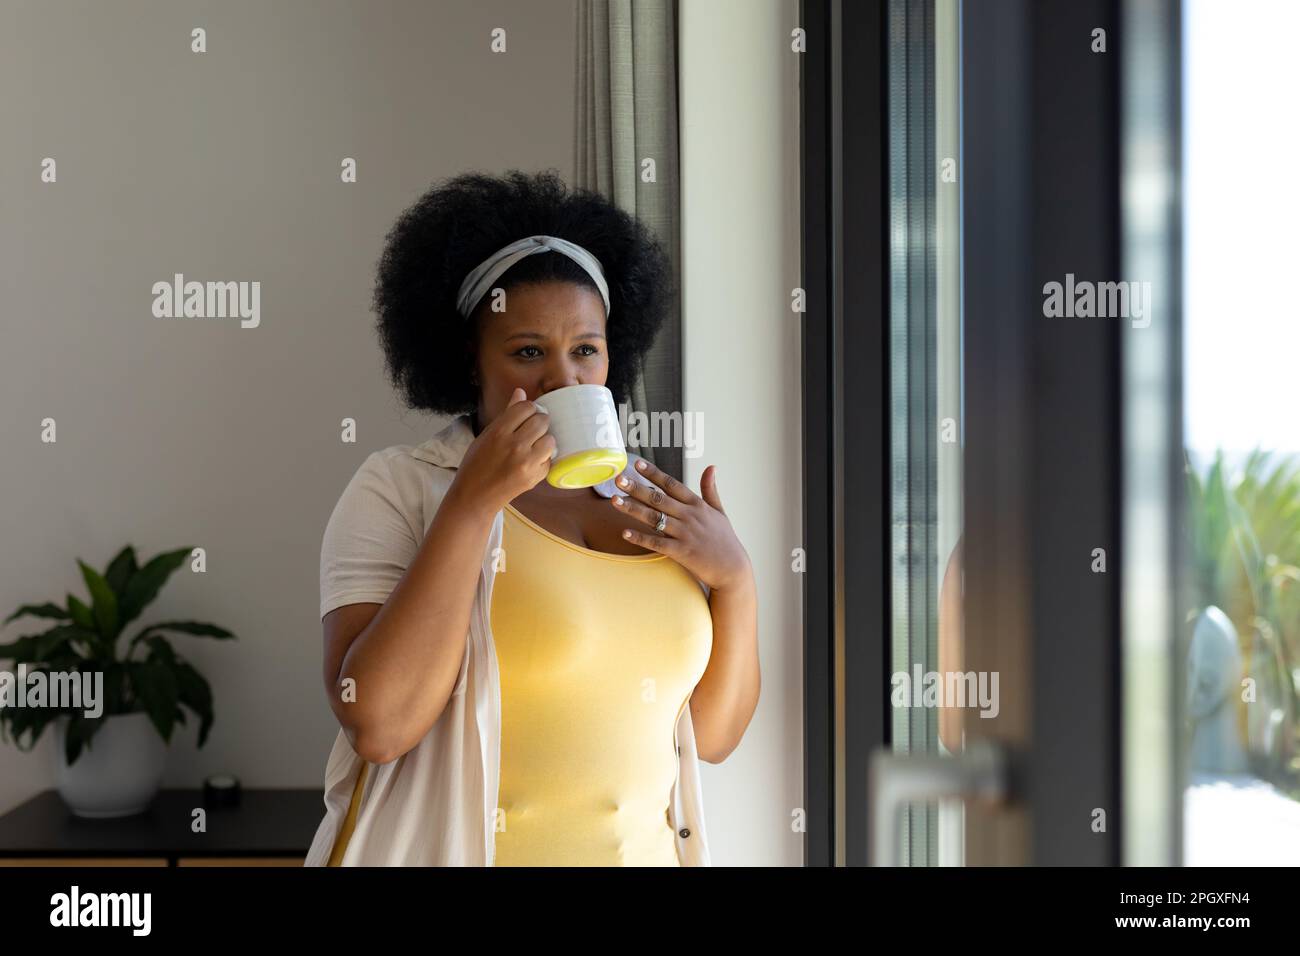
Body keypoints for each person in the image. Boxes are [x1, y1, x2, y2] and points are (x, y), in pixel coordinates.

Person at [303, 169, 760, 866]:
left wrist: (735, 581)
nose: (561, 380)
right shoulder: (402, 488)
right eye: (526, 352)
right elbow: (378, 723)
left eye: (585, 350)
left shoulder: (650, 501)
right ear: (470, 362)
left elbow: (711, 738)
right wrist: (472, 504)